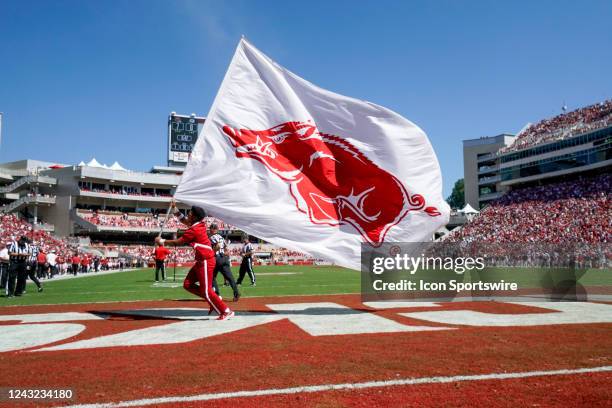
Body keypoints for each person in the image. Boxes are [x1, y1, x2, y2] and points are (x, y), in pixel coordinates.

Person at [155, 201, 233, 320]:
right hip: (202, 260)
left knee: (206, 290)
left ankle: (225, 311)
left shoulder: (195, 229)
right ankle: (213, 299)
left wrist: (162, 241)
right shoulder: (197, 224)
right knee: (187, 284)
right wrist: (175, 209)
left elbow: (179, 242)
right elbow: (184, 220)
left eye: (190, 213)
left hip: (206, 260)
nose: (188, 214)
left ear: (195, 216)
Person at [209, 224, 240, 302]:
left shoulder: (212, 237)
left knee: (211, 277)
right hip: (224, 258)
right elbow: (226, 249)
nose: (209, 231)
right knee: (230, 277)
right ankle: (236, 293)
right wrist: (224, 254)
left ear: (213, 229)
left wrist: (212, 253)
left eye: (210, 229)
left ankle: (217, 295)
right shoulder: (221, 237)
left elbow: (218, 246)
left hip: (217, 259)